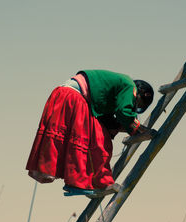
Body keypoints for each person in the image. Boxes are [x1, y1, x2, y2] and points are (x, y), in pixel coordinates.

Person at [26, 69, 155, 191]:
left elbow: (107, 119)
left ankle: (78, 180)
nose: (134, 106)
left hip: (65, 95)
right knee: (97, 141)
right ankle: (89, 182)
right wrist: (138, 129)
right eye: (137, 104)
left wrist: (119, 127)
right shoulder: (129, 86)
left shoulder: (113, 91)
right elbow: (124, 112)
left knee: (79, 140)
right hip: (74, 97)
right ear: (138, 93)